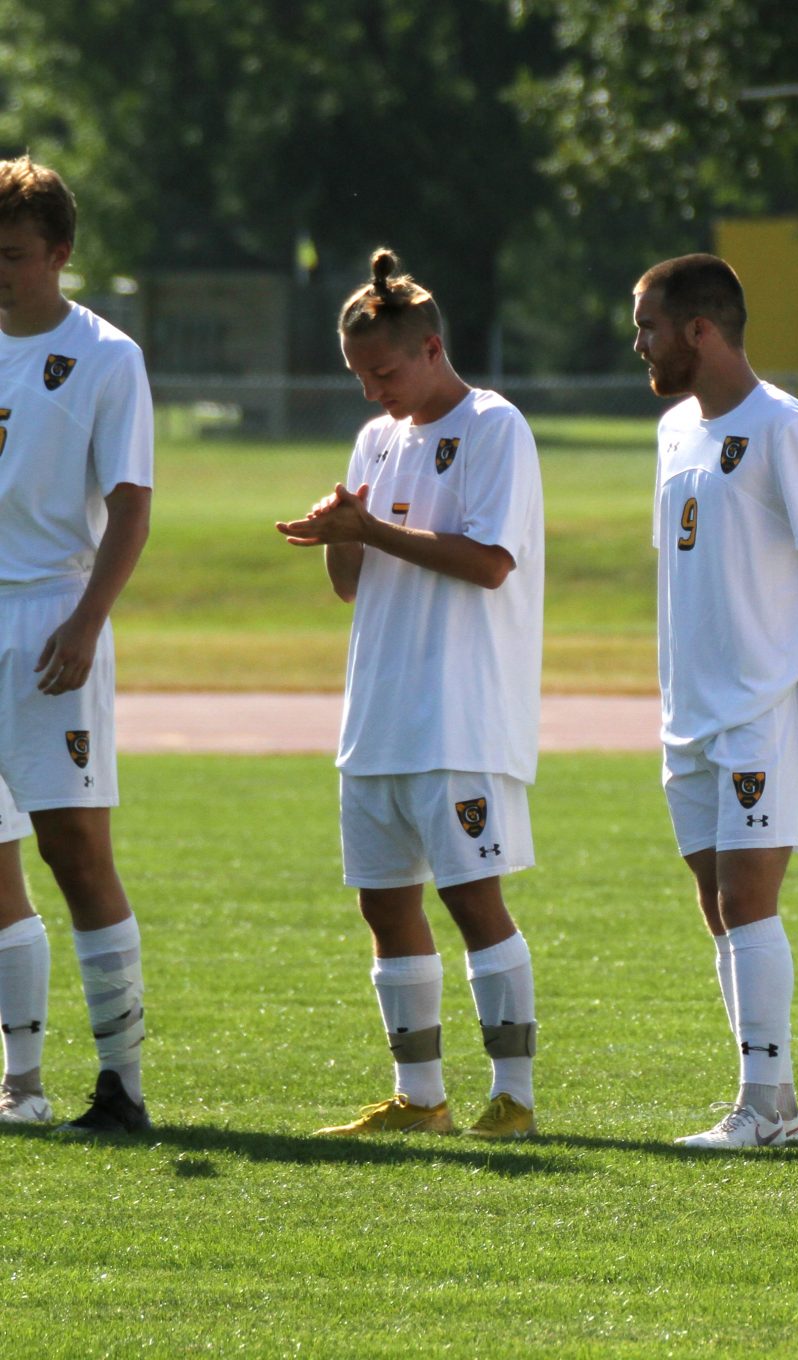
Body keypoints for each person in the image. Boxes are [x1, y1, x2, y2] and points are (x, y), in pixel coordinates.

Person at [277, 250, 546, 1139]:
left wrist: (375, 531)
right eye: (358, 376)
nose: (370, 392)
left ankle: (514, 1095)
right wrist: (338, 535)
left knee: (473, 899)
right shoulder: (376, 439)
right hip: (379, 718)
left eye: (382, 371)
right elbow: (353, 586)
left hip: (460, 717)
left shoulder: (495, 426)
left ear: (431, 348)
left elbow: (490, 562)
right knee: (383, 904)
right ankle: (420, 1097)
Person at [633, 253, 798, 1149]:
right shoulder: (672, 432)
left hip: (765, 704)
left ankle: (768, 1104)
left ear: (700, 330)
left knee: (750, 900)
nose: (639, 344)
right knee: (716, 905)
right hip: (687, 712)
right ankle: (764, 1096)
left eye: (649, 327)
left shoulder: (785, 426)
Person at [0, 156, 155, 1136]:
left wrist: (88, 620)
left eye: (12, 255)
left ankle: (122, 1084)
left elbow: (132, 507)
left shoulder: (106, 355)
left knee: (74, 850)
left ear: (59, 253)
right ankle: (22, 1084)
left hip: (51, 613)